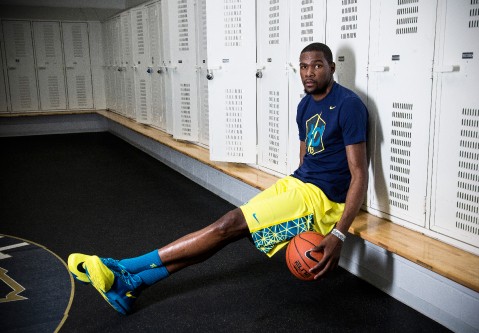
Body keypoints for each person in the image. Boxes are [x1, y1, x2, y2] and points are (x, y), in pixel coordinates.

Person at [68, 42, 369, 315]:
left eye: (317, 65)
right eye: (303, 66)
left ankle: (121, 268)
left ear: (331, 67)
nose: (309, 72)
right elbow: (306, 160)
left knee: (227, 226)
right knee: (226, 232)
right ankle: (131, 286)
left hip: (322, 199)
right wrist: (290, 190)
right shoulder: (305, 104)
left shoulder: (349, 105)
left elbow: (358, 174)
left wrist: (339, 232)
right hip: (297, 184)